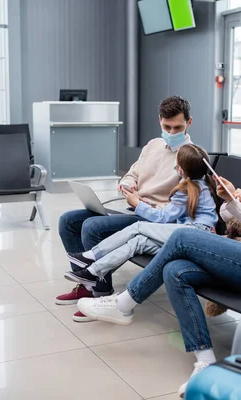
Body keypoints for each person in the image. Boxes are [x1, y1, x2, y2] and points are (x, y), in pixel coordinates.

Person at [77, 101, 241, 397]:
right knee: (176, 271)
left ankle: (125, 303)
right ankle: (205, 360)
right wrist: (234, 202)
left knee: (183, 237)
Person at [56, 96, 194, 323]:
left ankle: (101, 294)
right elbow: (133, 173)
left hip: (155, 219)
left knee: (92, 227)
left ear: (189, 122)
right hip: (135, 209)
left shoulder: (191, 156)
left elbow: (186, 203)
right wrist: (128, 184)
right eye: (166, 126)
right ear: (159, 120)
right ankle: (88, 284)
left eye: (177, 127)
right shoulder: (153, 145)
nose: (171, 131)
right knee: (68, 221)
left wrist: (142, 204)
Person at [63, 144, 218, 300]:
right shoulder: (200, 185)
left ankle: (91, 255)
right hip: (189, 235)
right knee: (137, 242)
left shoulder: (187, 190)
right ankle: (92, 272)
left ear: (181, 170)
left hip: (195, 235)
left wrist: (138, 204)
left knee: (138, 227)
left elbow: (163, 217)